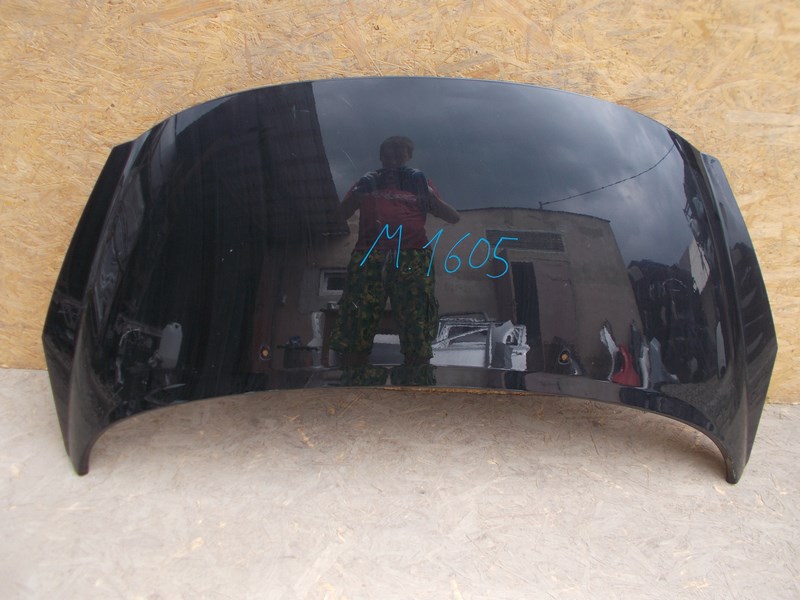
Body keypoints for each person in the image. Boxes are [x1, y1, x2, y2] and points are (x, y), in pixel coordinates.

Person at [330, 136, 459, 386]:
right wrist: (357, 193)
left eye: (399, 156)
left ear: (408, 158)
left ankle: (416, 380)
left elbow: (453, 217)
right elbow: (338, 217)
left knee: (416, 320)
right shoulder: (366, 183)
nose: (393, 161)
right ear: (381, 157)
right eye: (388, 155)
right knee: (358, 318)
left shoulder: (419, 183)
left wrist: (427, 193)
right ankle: (355, 379)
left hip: (413, 256)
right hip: (369, 255)